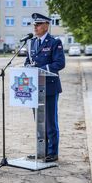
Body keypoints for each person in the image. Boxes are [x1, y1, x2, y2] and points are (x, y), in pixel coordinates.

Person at [24, 13, 65, 162]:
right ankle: (41, 151)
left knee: (50, 121)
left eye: (38, 24)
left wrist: (41, 69)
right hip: (35, 88)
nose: (35, 27)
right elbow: (27, 61)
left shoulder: (55, 42)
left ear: (46, 25)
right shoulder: (32, 43)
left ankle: (52, 152)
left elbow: (59, 63)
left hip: (50, 88)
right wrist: (28, 67)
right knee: (39, 122)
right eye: (34, 25)